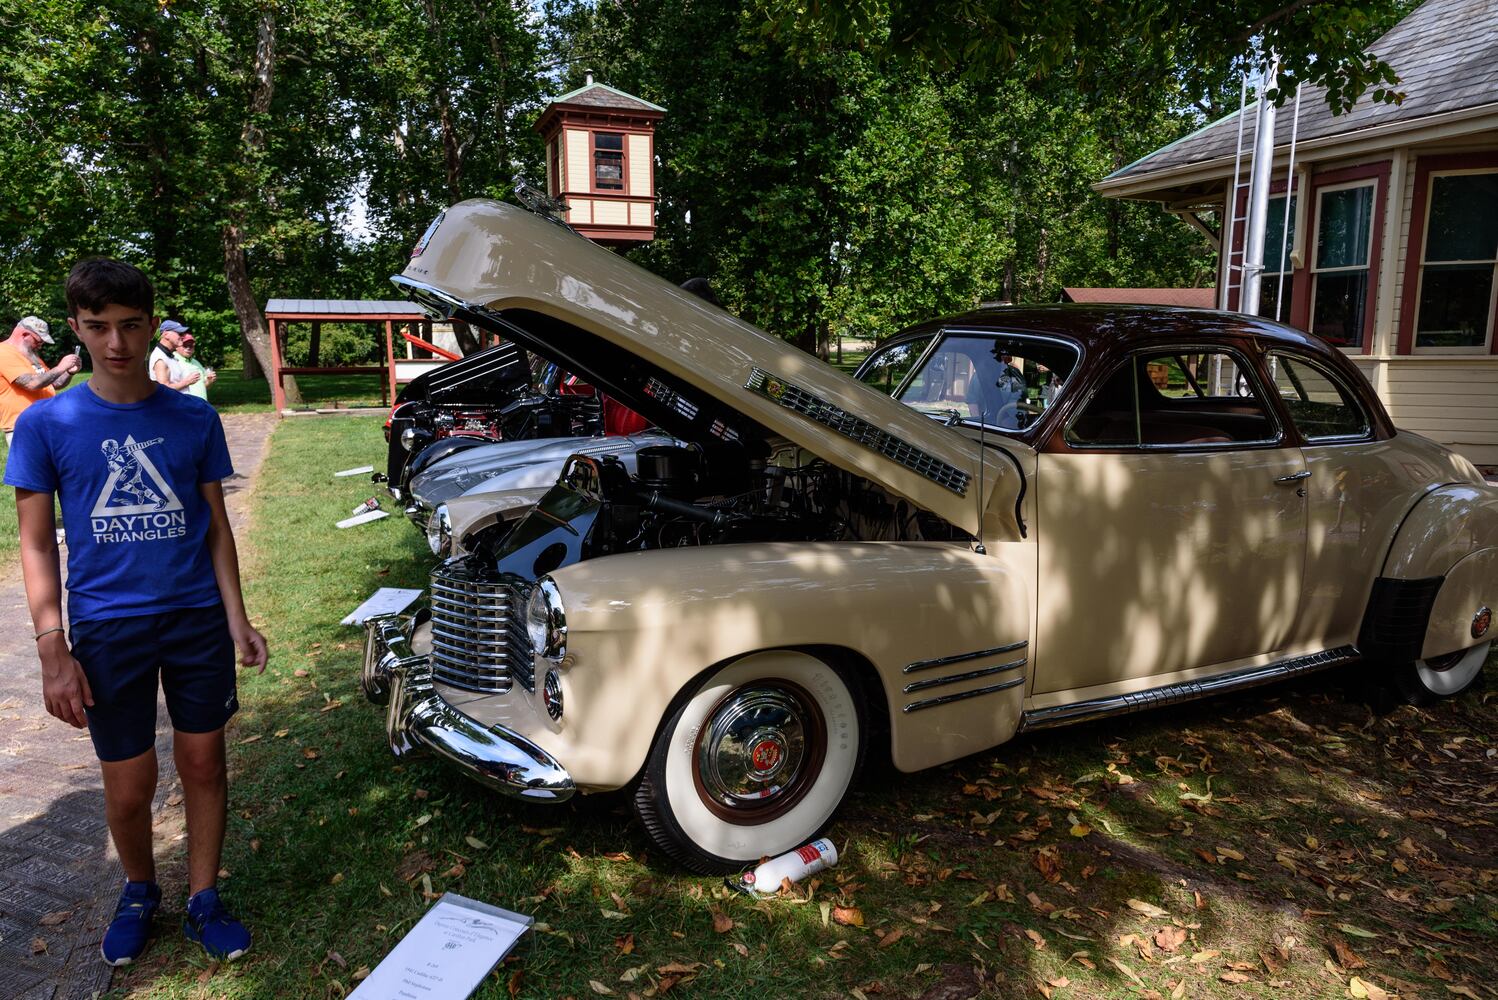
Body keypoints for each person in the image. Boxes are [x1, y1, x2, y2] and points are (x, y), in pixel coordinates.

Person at [4, 258, 267, 966]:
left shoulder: (192, 417)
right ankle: (139, 888)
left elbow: (216, 525)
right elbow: (35, 543)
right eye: (98, 328)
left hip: (194, 618)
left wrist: (236, 616)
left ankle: (204, 897)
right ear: (76, 328)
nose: (115, 343)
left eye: (128, 326)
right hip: (106, 626)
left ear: (151, 323)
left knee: (204, 760)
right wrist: (51, 648)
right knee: (129, 781)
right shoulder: (48, 423)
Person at [0, 316, 81, 446]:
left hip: (45, 423)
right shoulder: (3, 353)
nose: (40, 346)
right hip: (24, 427)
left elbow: (54, 383)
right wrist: (60, 367)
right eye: (38, 341)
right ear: (25, 334)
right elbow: (31, 383)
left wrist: (68, 372)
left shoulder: (29, 355)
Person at [150, 319, 201, 393]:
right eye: (180, 334)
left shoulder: (169, 355)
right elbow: (164, 389)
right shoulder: (160, 358)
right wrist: (187, 382)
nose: (183, 337)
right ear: (166, 334)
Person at [176, 333, 216, 401]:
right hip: (184, 405)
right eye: (185, 345)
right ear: (177, 345)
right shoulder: (173, 360)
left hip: (201, 404)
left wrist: (209, 381)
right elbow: (167, 387)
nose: (188, 348)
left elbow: (203, 386)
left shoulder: (196, 362)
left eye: (191, 346)